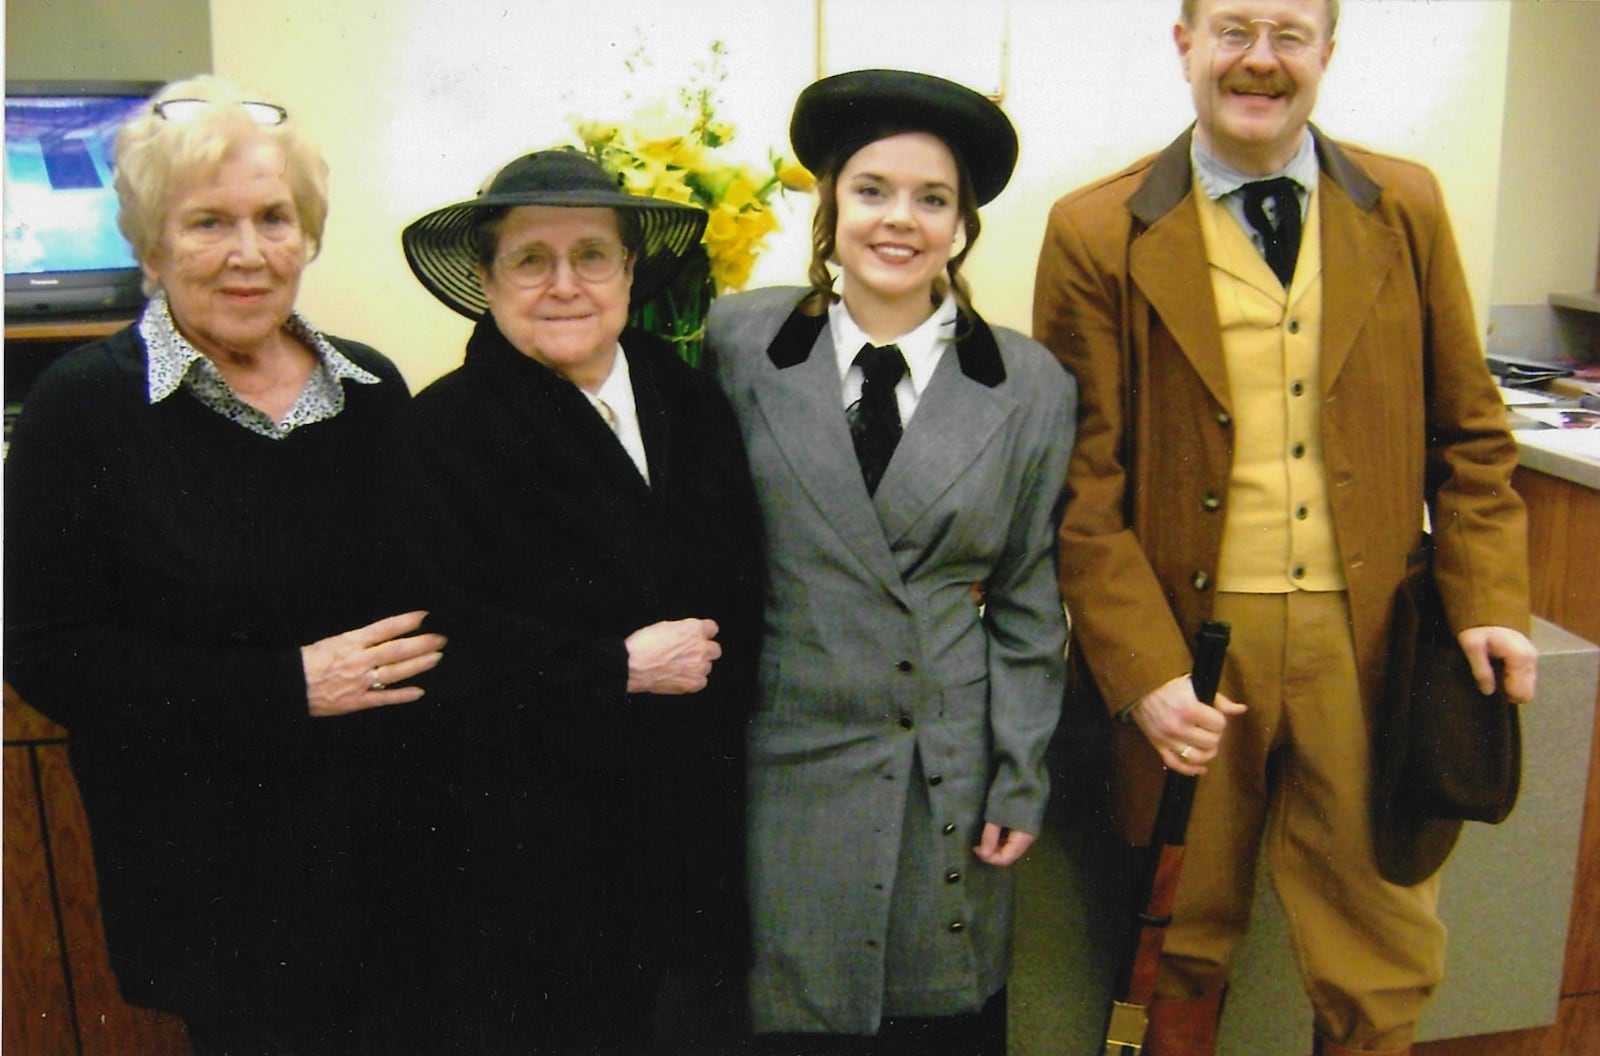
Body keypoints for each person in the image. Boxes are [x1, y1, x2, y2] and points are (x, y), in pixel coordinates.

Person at [1032, 3, 1539, 1054]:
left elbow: (1472, 434)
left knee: (1381, 941)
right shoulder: (1096, 229)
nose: (1259, 59)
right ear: (1185, 45)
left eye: (1288, 32)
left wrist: (1487, 603)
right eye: (1231, 29)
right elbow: (1080, 485)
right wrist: (1140, 669)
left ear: (1325, 53)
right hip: (1190, 653)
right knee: (1174, 933)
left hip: (1371, 643)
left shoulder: (1404, 205)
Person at [2, 75, 446, 1054]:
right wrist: (285, 686)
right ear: (150, 247)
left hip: (392, 870)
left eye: (273, 218)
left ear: (307, 234)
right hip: (220, 889)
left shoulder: (373, 390)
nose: (248, 253)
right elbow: (48, 652)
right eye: (208, 223)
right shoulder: (81, 411)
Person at [705, 69, 1078, 1055]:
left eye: (932, 198)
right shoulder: (741, 340)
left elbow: (1030, 600)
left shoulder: (1028, 383)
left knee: (933, 1019)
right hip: (780, 760)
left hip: (945, 769)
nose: (897, 220)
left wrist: (1020, 773)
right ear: (830, 203)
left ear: (961, 225)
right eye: (870, 190)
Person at [380, 149, 763, 1055]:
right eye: (530, 259)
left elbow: (744, 589)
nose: (564, 285)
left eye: (592, 255)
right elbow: (434, 644)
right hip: (530, 870)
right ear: (485, 278)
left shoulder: (692, 401)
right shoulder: (438, 435)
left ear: (630, 271)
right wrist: (616, 669)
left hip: (694, 842)